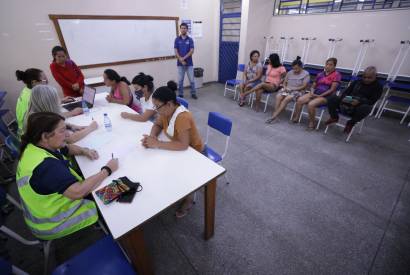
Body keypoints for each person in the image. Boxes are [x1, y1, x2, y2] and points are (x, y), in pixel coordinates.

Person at [16, 112, 119, 240]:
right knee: (112, 199)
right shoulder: (45, 166)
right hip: (52, 223)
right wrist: (107, 169)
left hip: (42, 209)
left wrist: (84, 151)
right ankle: (117, 233)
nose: (68, 134)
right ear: (45, 136)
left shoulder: (36, 146)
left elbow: (67, 148)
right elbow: (78, 192)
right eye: (62, 131)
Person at [141, 86, 204, 218]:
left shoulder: (182, 117)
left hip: (194, 151)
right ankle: (173, 190)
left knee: (183, 174)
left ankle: (188, 199)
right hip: (176, 145)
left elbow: (183, 145)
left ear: (169, 104)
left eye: (157, 106)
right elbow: (157, 125)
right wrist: (152, 136)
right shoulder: (165, 112)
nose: (156, 110)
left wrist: (157, 143)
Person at [26, 85, 97, 144]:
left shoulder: (34, 115)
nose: (59, 102)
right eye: (56, 100)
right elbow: (69, 139)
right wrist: (90, 128)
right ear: (49, 104)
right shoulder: (44, 122)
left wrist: (72, 126)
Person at [325, 66, 382, 134]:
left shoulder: (378, 87)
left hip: (359, 108)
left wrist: (359, 102)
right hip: (347, 102)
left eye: (369, 78)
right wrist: (348, 99)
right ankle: (334, 117)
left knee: (367, 108)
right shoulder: (356, 82)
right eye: (364, 77)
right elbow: (345, 93)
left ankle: (351, 123)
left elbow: (372, 101)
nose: (366, 79)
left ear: (375, 76)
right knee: (332, 98)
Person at [292, 57, 341, 130]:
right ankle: (296, 117)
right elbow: (313, 85)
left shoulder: (337, 75)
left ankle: (312, 123)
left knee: (311, 104)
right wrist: (312, 92)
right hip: (315, 93)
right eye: (327, 64)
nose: (328, 66)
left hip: (326, 96)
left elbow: (332, 89)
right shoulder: (320, 74)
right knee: (300, 100)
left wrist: (319, 95)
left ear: (334, 66)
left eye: (330, 65)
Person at [265, 56, 310, 124]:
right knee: (278, 96)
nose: (295, 70)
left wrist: (292, 89)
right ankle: (275, 114)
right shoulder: (290, 72)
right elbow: (284, 82)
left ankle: (274, 116)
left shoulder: (305, 74)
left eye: (296, 69)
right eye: (293, 68)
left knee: (287, 99)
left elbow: (304, 86)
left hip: (298, 91)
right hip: (287, 89)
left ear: (301, 67)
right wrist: (285, 88)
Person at [15, 68, 48, 137]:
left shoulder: (26, 90)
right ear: (34, 82)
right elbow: (51, 117)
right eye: (44, 80)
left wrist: (60, 101)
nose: (47, 82)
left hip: (22, 132)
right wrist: (73, 112)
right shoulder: (35, 97)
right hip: (30, 135)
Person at [174, 22, 197, 99]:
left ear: (187, 29)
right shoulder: (177, 39)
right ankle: (180, 94)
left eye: (185, 28)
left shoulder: (190, 40)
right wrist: (180, 59)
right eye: (182, 28)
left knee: (192, 80)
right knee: (180, 80)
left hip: (189, 63)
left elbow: (191, 51)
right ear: (180, 29)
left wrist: (183, 58)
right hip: (180, 64)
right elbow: (176, 51)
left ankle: (193, 93)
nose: (183, 29)